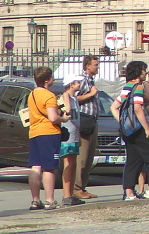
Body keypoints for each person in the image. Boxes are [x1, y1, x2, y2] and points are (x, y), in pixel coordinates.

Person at [110, 61, 149, 204]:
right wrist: (147, 128)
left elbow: (114, 107)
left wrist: (123, 123)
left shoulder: (127, 86)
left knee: (133, 161)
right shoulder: (139, 87)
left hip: (128, 131)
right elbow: (138, 108)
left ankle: (129, 193)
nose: (145, 72)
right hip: (140, 129)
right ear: (138, 72)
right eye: (143, 70)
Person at [27, 66, 62, 210]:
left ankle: (35, 200)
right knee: (49, 167)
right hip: (49, 132)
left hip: (34, 132)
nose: (53, 79)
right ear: (47, 80)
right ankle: (50, 200)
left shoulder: (32, 94)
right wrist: (63, 118)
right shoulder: (49, 96)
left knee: (36, 166)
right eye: (52, 77)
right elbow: (53, 117)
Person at [72, 55, 102, 199]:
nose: (97, 67)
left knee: (89, 158)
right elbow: (74, 98)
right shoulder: (82, 80)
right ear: (87, 66)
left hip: (92, 122)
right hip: (84, 122)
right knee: (82, 159)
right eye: (95, 65)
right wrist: (91, 94)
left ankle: (83, 187)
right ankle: (76, 188)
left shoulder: (91, 80)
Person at [59, 76, 85, 207]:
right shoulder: (65, 97)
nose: (80, 84)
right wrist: (66, 95)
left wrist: (79, 135)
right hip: (67, 136)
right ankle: (66, 195)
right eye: (77, 82)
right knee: (68, 164)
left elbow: (76, 119)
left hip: (74, 135)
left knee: (73, 164)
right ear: (71, 84)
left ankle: (71, 193)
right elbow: (67, 110)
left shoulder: (74, 99)